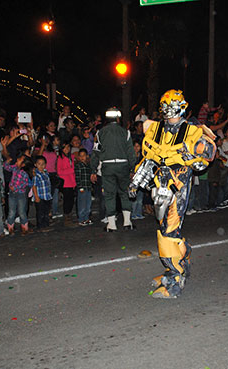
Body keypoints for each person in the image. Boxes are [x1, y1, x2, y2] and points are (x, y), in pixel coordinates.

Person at [129, 89, 216, 298]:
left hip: (178, 183)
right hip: (159, 183)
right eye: (166, 108)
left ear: (181, 108)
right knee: (164, 227)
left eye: (173, 108)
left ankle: (175, 277)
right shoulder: (155, 129)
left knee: (168, 231)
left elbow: (204, 159)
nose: (169, 113)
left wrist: (193, 156)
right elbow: (149, 160)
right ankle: (181, 255)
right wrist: (136, 180)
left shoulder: (192, 131)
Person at [90, 107, 137, 232]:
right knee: (124, 193)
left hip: (108, 166)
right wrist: (133, 169)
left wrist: (93, 170)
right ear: (118, 118)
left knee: (110, 195)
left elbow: (95, 152)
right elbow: (131, 153)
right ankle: (127, 222)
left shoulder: (100, 133)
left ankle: (111, 225)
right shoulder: (125, 132)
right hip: (123, 166)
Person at [3, 155, 32, 235]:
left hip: (20, 194)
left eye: (20, 159)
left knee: (21, 211)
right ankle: (10, 228)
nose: (17, 159)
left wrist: (15, 188)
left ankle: (24, 228)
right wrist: (7, 161)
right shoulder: (15, 168)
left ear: (23, 164)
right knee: (11, 211)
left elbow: (25, 183)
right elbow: (6, 167)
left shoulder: (24, 173)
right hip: (12, 193)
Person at [57, 143, 76, 226]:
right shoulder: (60, 158)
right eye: (65, 147)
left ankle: (69, 215)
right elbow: (59, 171)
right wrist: (71, 170)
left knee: (71, 200)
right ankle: (66, 217)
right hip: (65, 182)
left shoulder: (71, 157)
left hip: (72, 182)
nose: (67, 149)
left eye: (68, 147)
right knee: (67, 201)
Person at [74, 148, 93, 226]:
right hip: (82, 187)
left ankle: (86, 218)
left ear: (87, 156)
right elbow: (77, 177)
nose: (82, 157)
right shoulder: (78, 166)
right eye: (80, 156)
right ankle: (81, 219)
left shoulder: (88, 166)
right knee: (82, 203)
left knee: (88, 203)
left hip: (88, 187)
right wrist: (80, 187)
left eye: (84, 156)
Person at [33, 156, 52, 231]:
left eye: (43, 164)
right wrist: (36, 197)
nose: (41, 166)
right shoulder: (36, 175)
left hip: (47, 196)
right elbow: (34, 186)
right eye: (39, 164)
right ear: (35, 165)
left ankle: (46, 225)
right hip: (40, 196)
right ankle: (40, 226)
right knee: (40, 212)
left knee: (46, 212)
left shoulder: (46, 173)